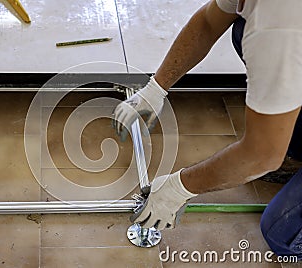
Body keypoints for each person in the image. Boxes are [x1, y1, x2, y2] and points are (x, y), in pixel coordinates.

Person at [113, 0, 302, 259]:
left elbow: (262, 155)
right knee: (241, 26)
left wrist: (178, 189)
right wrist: (156, 89)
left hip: (286, 35)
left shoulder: (279, 26)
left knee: (282, 234)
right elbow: (208, 21)